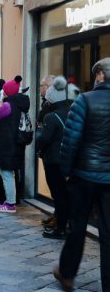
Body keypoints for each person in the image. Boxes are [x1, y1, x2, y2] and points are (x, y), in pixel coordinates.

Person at [53, 58, 110, 292]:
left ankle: (67, 273)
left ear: (100, 76)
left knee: (77, 228)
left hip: (84, 176)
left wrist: (66, 171)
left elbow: (71, 140)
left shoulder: (84, 100)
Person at [0, 75, 30, 214]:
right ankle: (10, 201)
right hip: (16, 144)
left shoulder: (8, 105)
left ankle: (10, 204)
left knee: (6, 173)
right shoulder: (21, 104)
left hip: (7, 145)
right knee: (10, 173)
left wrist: (0, 101)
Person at [36, 76, 71, 240]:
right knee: (66, 194)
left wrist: (38, 142)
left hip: (54, 160)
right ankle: (67, 225)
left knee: (59, 195)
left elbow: (44, 139)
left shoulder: (51, 117)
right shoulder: (72, 112)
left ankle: (60, 228)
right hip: (69, 159)